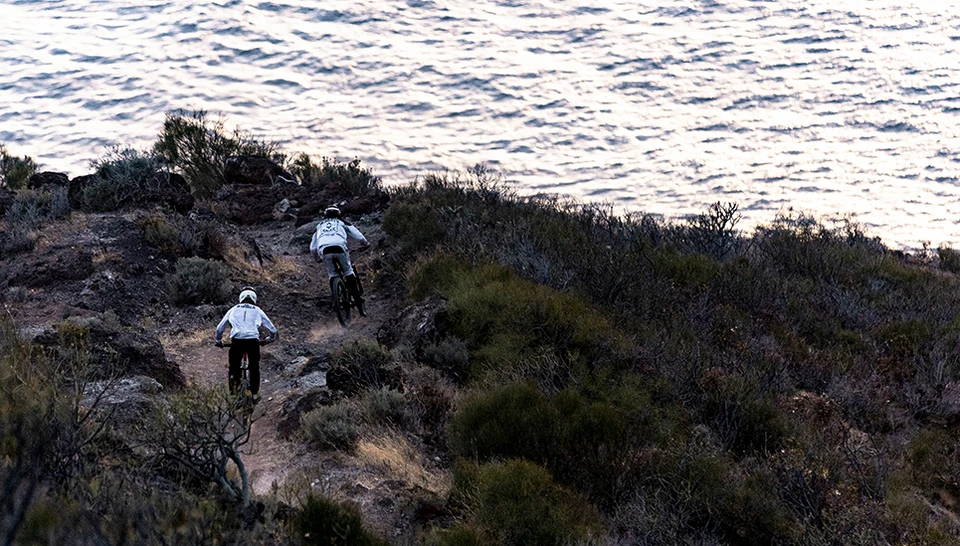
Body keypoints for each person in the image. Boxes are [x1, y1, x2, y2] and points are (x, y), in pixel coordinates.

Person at [215, 287, 278, 400]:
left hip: (237, 341)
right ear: (254, 299)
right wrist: (270, 338)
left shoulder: (233, 309)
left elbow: (220, 327)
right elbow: (272, 328)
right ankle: (254, 394)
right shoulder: (257, 310)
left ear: (241, 298)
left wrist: (218, 340)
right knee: (254, 367)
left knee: (234, 367)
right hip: (252, 341)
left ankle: (234, 394)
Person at [310, 206, 369, 315]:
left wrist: (317, 259)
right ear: (339, 215)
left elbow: (313, 248)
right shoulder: (343, 222)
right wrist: (366, 244)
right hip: (339, 247)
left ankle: (335, 300)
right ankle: (358, 303)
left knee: (332, 274)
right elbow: (360, 237)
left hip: (324, 249)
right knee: (348, 271)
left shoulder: (319, 226)